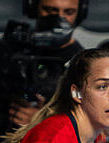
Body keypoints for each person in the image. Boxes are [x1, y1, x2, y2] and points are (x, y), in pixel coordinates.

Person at [6, 0, 86, 130]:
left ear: (80, 14)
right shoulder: (13, 52)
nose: (59, 18)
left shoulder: (85, 63)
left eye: (69, 12)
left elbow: (89, 125)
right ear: (33, 8)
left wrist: (42, 121)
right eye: (50, 10)